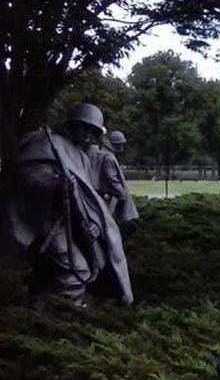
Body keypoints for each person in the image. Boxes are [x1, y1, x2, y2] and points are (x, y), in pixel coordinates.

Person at [1, 103, 133, 308]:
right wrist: (54, 183)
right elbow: (27, 174)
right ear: (73, 125)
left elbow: (87, 196)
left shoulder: (82, 156)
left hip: (71, 223)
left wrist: (93, 223)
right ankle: (65, 314)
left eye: (93, 131)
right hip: (48, 223)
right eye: (85, 128)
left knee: (48, 274)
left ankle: (38, 311)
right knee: (77, 272)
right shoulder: (46, 143)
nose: (88, 135)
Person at [86, 129, 139, 224]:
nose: (122, 147)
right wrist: (121, 193)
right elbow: (112, 178)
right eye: (121, 144)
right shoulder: (108, 156)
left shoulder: (93, 149)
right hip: (101, 195)